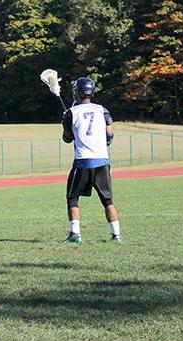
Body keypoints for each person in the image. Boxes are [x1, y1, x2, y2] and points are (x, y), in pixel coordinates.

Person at [61, 77, 121, 243]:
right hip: (102, 161)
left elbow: (67, 138)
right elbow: (109, 136)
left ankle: (75, 234)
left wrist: (67, 125)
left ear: (77, 93)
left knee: (72, 198)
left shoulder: (71, 113)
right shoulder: (103, 110)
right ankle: (116, 235)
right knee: (107, 200)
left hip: (83, 161)